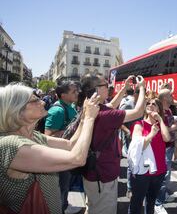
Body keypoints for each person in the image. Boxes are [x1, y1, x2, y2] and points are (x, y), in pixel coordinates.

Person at [0, 83, 99, 214]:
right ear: (17, 110)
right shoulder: (11, 144)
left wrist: (84, 117)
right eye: (35, 100)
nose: (42, 102)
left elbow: (71, 145)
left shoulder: (33, 135)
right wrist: (90, 119)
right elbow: (77, 159)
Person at [80, 74, 146, 214]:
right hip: (103, 177)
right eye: (105, 85)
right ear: (96, 89)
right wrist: (142, 89)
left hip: (92, 173)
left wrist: (124, 89)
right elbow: (138, 111)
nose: (109, 87)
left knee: (92, 207)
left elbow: (111, 105)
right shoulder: (104, 115)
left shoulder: (90, 107)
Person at [128, 98, 171, 214]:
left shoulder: (160, 124)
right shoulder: (139, 124)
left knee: (151, 203)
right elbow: (138, 146)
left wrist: (160, 119)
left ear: (158, 109)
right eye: (148, 103)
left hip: (159, 171)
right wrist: (152, 134)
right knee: (136, 204)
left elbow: (167, 138)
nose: (150, 105)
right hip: (142, 172)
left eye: (154, 104)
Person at [44, 81, 80, 213]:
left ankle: (64, 205)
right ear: (63, 95)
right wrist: (72, 130)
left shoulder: (71, 106)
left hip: (68, 153)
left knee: (66, 185)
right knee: (61, 186)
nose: (77, 93)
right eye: (73, 92)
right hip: (60, 156)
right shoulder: (57, 110)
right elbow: (48, 136)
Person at [154, 88, 177, 214]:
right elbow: (158, 131)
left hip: (169, 147)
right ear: (164, 98)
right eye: (170, 95)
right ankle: (157, 203)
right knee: (163, 176)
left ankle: (162, 196)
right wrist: (172, 128)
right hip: (162, 148)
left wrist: (174, 122)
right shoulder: (159, 112)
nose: (172, 96)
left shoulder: (169, 110)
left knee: (166, 175)